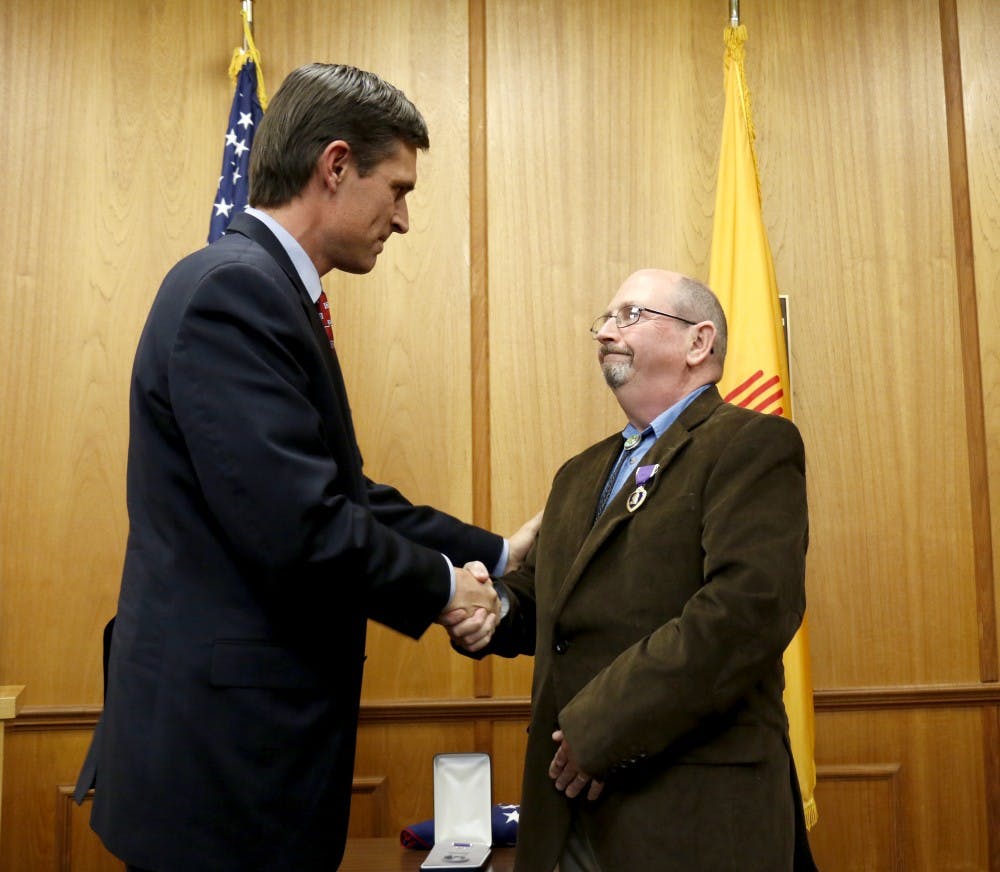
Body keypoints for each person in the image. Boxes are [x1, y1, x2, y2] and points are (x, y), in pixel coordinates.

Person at [74, 63, 538, 872]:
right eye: (396, 188)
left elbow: (343, 497)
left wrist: (498, 554)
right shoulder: (233, 293)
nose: (402, 220)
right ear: (333, 166)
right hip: (222, 775)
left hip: (243, 763)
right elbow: (302, 526)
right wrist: (444, 589)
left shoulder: (262, 291)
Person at [447, 269, 816, 870]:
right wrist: (492, 610)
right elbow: (547, 602)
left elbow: (745, 613)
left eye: (631, 316)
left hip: (688, 812)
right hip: (565, 812)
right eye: (606, 319)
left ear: (699, 343)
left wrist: (599, 731)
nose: (606, 334)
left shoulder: (751, 445)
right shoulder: (579, 473)